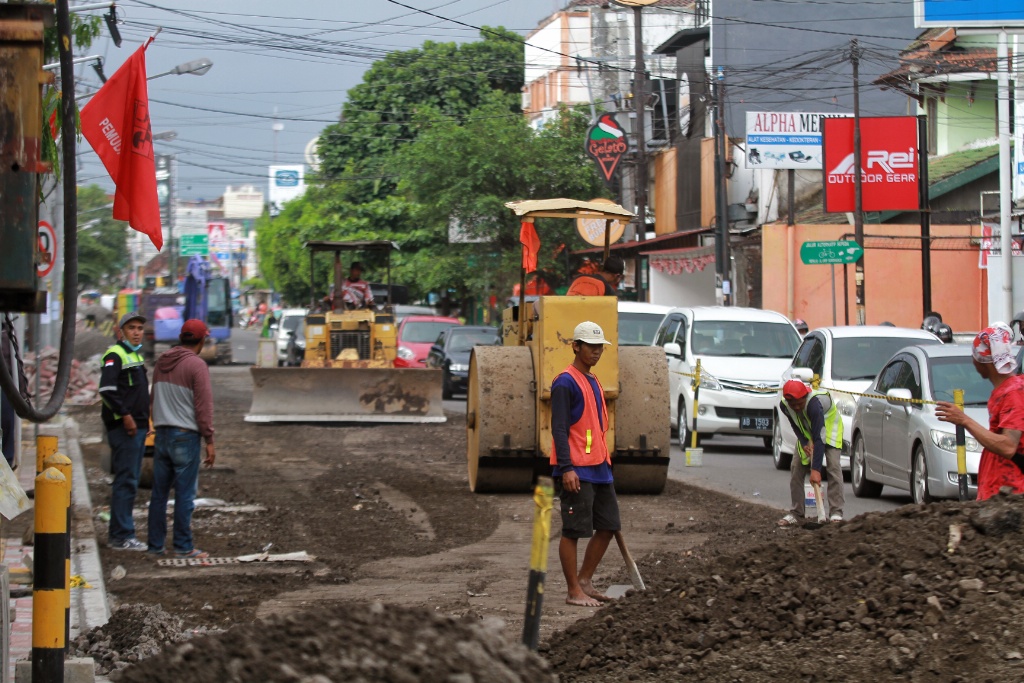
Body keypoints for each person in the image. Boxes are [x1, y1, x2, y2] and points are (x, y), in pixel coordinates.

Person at [551, 321, 620, 607]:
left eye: (599, 347)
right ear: (576, 346)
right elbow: (559, 428)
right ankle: (572, 591)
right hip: (577, 469)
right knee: (574, 530)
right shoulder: (565, 382)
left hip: (600, 468)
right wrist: (567, 468)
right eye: (590, 347)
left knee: (609, 525)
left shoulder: (593, 380)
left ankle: (585, 581)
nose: (596, 352)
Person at [148, 319, 216, 558]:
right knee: (185, 494)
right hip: (185, 437)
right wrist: (209, 439)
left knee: (159, 494)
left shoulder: (161, 362)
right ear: (202, 340)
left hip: (162, 434)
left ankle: (155, 545)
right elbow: (203, 406)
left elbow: (153, 397)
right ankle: (183, 546)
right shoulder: (197, 366)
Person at [936, 323, 1024, 500]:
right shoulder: (1006, 390)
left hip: (1009, 496)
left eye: (974, 355)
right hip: (998, 493)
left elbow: (1008, 447)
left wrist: (964, 420)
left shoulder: (1013, 393)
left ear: (986, 361)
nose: (973, 360)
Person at [99, 313, 150, 551]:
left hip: (137, 427)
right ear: (121, 331)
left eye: (140, 328)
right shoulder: (115, 355)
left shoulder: (135, 355)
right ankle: (121, 536)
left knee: (130, 481)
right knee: (126, 481)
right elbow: (107, 389)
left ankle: (123, 532)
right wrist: (127, 417)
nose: (137, 332)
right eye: (132, 328)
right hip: (125, 428)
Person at [777, 379, 845, 526]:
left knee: (833, 467)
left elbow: (819, 437)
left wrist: (816, 470)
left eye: (799, 404)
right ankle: (797, 513)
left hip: (829, 430)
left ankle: (836, 513)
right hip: (807, 432)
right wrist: (803, 442)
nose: (796, 407)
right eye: (793, 405)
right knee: (796, 467)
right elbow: (795, 424)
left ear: (805, 397)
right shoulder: (784, 405)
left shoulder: (814, 404)